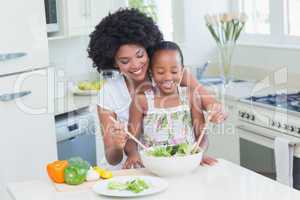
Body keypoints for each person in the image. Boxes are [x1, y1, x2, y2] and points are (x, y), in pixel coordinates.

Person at [87, 8, 227, 170]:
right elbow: (112, 159)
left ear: (148, 48)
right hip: (127, 172)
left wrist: (217, 111)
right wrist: (118, 145)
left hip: (171, 167)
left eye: (140, 55)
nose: (135, 65)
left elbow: (212, 104)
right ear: (113, 62)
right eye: (125, 61)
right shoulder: (108, 94)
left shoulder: (170, 74)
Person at [124, 41, 207, 168]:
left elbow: (202, 136)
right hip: (154, 167)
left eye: (174, 72)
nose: (168, 77)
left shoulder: (191, 96)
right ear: (151, 72)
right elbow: (131, 140)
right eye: (161, 72)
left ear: (182, 70)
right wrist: (133, 154)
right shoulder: (141, 101)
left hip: (186, 165)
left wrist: (199, 153)